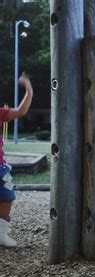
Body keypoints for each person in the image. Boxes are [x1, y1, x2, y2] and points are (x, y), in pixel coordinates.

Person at [0, 73, 33, 247]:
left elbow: (21, 111)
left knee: (7, 197)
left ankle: (1, 234)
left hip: (0, 168)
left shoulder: (0, 113)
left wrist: (29, 90)